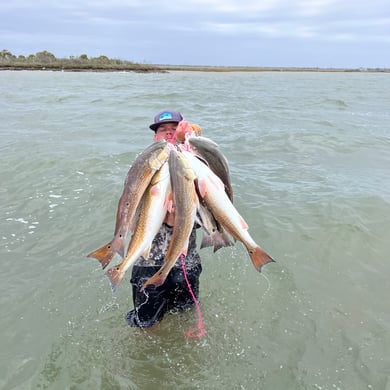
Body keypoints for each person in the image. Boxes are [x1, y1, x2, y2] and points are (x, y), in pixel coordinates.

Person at [125, 110, 202, 328]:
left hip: (185, 262)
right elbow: (131, 211)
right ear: (155, 137)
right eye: (162, 130)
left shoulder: (194, 163)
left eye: (173, 129)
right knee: (146, 324)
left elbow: (207, 210)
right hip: (147, 262)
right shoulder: (143, 168)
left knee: (184, 317)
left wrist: (193, 137)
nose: (168, 134)